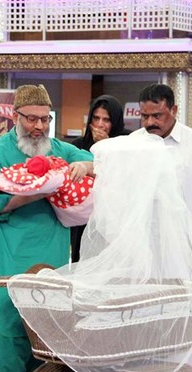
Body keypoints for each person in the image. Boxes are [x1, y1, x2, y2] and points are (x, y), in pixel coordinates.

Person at [0, 84, 94, 372]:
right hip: (3, 261)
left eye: (44, 119)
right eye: (31, 119)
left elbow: (95, 160)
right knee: (6, 343)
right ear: (15, 116)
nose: (38, 126)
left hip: (49, 264)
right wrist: (30, 194)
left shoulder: (60, 150)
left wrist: (84, 166)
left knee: (44, 344)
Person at [130, 83, 192, 249]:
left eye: (157, 115)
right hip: (142, 244)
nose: (150, 122)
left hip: (185, 243)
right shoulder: (133, 143)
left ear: (174, 110)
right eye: (144, 116)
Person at [70, 94, 131, 262]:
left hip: (115, 220)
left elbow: (125, 174)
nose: (100, 124)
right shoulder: (79, 145)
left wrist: (107, 145)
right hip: (84, 218)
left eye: (106, 120)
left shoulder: (127, 142)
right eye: (96, 118)